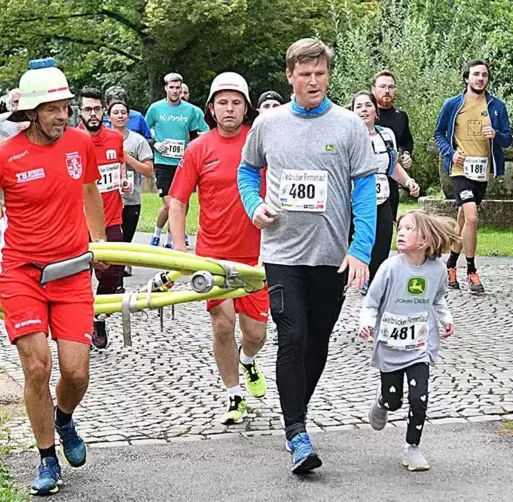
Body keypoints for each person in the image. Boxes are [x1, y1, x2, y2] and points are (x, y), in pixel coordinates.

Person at [0, 58, 107, 496]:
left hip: (72, 273)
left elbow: (90, 189)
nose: (63, 116)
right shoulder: (4, 156)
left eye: (66, 107)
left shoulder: (79, 143)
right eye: (53, 108)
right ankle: (47, 458)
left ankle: (64, 418)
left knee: (76, 374)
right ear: (32, 112)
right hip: (21, 275)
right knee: (38, 367)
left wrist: (101, 243)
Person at [238, 38, 376, 474]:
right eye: (305, 73)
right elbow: (246, 170)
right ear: (290, 76)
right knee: (292, 335)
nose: (313, 81)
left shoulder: (349, 126)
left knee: (317, 341)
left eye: (320, 73)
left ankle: (294, 410)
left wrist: (360, 249)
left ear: (327, 75)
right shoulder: (269, 124)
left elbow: (365, 190)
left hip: (330, 256)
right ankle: (297, 433)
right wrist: (253, 205)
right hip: (281, 251)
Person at [169, 72, 268, 424]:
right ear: (211, 108)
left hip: (256, 257)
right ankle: (233, 394)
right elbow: (177, 201)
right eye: (222, 102)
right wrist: (181, 249)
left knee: (255, 333)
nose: (229, 109)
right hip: (213, 257)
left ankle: (248, 361)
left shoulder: (259, 143)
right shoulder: (198, 148)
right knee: (223, 325)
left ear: (246, 108)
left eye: (236, 102)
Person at [360, 210, 459, 471]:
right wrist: (367, 323)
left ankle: (412, 448)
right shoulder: (390, 267)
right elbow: (371, 301)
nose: (401, 233)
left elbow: (437, 299)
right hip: (391, 347)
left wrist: (445, 318)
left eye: (409, 229)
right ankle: (383, 401)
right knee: (395, 401)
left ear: (426, 239)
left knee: (420, 398)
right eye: (400, 228)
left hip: (420, 347)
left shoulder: (437, 270)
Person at [434, 59, 512, 295]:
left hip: (482, 170)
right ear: (467, 78)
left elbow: (508, 139)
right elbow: (438, 134)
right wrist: (451, 153)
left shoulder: (496, 106)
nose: (480, 78)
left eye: (484, 75)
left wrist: (496, 134)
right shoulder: (453, 104)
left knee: (463, 221)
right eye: (476, 74)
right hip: (460, 169)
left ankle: (450, 267)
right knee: (473, 217)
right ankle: (471, 271)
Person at [351, 91, 420, 289]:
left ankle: (374, 281)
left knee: (382, 240)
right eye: (359, 106)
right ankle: (356, 276)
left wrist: (408, 182)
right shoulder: (348, 135)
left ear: (375, 110)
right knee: (357, 239)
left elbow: (392, 166)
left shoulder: (386, 134)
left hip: (382, 197)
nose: (364, 110)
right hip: (355, 199)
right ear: (353, 111)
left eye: (368, 106)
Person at [78, 88, 129, 349]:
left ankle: (98, 317)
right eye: (88, 109)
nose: (93, 114)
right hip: (78, 221)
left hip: (111, 217)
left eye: (97, 109)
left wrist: (123, 180)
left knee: (112, 273)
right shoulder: (71, 139)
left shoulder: (114, 138)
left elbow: (119, 165)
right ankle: (80, 322)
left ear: (104, 110)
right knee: (78, 274)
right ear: (80, 111)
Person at [145, 73, 209, 248]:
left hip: (184, 163)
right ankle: (157, 233)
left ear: (182, 89)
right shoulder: (155, 108)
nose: (174, 91)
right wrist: (156, 144)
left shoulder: (191, 111)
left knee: (182, 202)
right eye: (171, 87)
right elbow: (145, 129)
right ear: (165, 88)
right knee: (169, 203)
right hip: (163, 162)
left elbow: (202, 133)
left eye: (178, 88)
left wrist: (193, 146)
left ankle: (170, 239)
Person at [107, 100, 153, 265]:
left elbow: (149, 171)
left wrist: (129, 159)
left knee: (126, 237)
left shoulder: (138, 141)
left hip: (131, 197)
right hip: (108, 198)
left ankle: (122, 266)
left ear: (128, 116)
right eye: (116, 113)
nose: (120, 116)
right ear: (108, 117)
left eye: (123, 113)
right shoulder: (101, 139)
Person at [372, 71, 415, 222]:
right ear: (373, 89)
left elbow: (406, 141)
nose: (387, 91)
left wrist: (407, 154)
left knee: (387, 224)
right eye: (382, 86)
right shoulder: (362, 113)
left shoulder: (400, 116)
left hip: (389, 179)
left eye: (391, 87)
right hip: (364, 177)